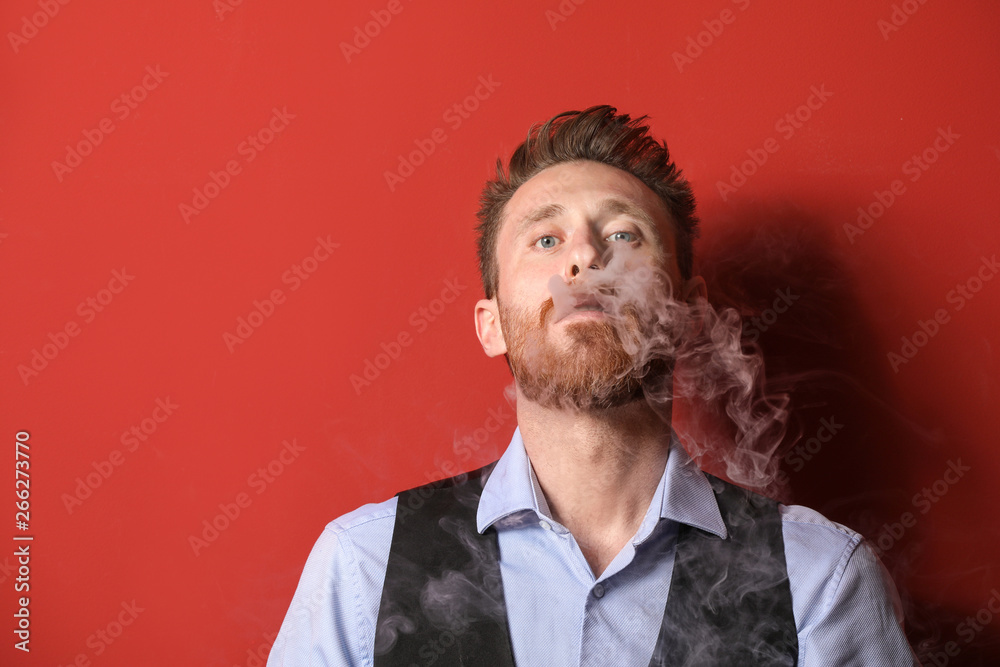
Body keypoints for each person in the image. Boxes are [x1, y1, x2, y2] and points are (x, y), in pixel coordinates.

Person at [267, 105, 919, 666]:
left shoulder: (819, 579)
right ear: (491, 325)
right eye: (546, 239)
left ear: (689, 313)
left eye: (623, 234)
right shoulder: (363, 566)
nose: (584, 256)